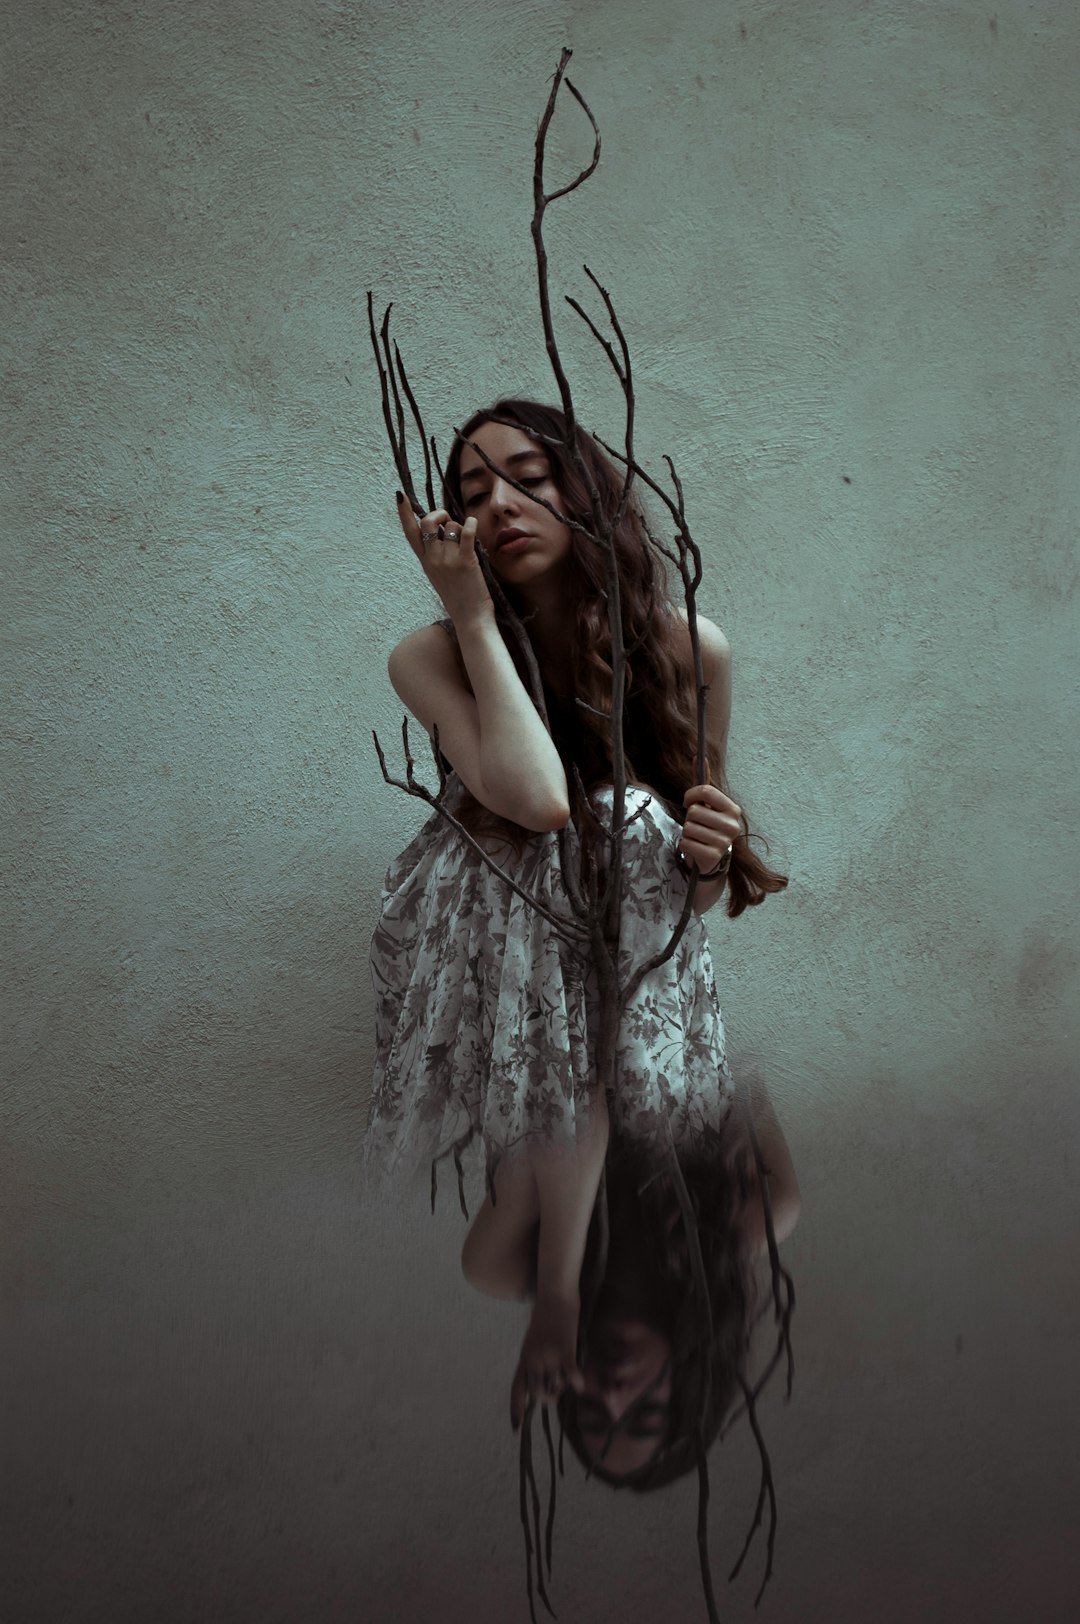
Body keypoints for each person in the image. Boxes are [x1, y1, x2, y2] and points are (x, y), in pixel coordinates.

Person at [365, 398, 795, 1471]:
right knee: (615, 816)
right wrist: (469, 608)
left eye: (528, 478)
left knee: (633, 819)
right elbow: (533, 799)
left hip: (599, 962)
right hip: (503, 920)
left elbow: (678, 912)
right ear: (689, 1378)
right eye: (472, 494)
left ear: (586, 493)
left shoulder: (689, 648)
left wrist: (706, 854)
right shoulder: (750, 1218)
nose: (499, 506)